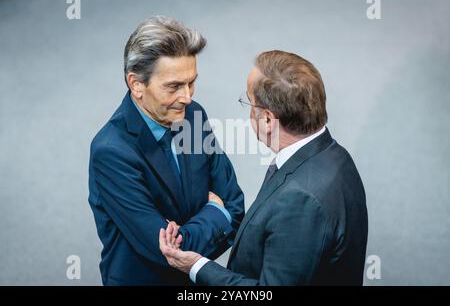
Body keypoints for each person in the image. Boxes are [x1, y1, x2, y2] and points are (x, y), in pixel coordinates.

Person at [159, 50, 368, 285]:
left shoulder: (300, 201)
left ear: (268, 120)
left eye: (249, 101)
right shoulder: (336, 156)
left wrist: (197, 266)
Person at [88, 16, 245, 285]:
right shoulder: (111, 151)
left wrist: (211, 220)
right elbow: (165, 253)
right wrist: (215, 213)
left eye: (191, 82)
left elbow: (235, 206)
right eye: (174, 86)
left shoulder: (193, 116)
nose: (187, 96)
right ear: (136, 84)